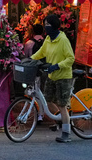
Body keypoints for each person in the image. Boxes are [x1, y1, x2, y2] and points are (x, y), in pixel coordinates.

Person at [30, 13, 77, 143]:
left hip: (63, 76)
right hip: (52, 76)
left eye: (48, 25)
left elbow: (71, 58)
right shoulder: (48, 39)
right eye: (45, 25)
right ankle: (61, 118)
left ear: (55, 26)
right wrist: (30, 60)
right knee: (48, 100)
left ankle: (66, 133)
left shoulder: (63, 40)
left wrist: (57, 66)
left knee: (62, 105)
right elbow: (42, 52)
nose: (46, 27)